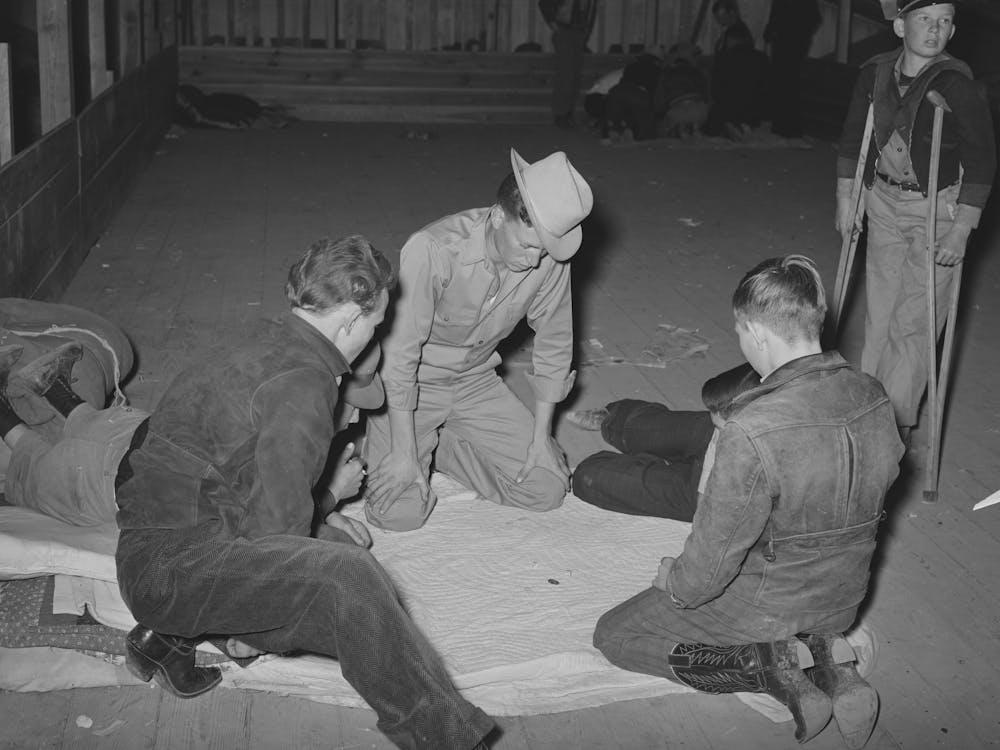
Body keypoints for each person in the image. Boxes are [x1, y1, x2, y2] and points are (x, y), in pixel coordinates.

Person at [113, 235, 495, 750]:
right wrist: (325, 513)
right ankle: (446, 737)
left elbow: (244, 473)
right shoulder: (304, 383)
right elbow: (277, 533)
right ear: (350, 320)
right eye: (377, 323)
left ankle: (165, 641)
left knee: (338, 554)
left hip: (159, 541)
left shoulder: (261, 334)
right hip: (170, 568)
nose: (375, 333)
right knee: (348, 578)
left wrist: (323, 516)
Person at [593, 256, 904, 748]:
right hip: (843, 600)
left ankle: (765, 671)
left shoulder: (751, 429)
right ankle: (828, 658)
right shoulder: (874, 396)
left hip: (764, 609)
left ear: (758, 333)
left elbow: (710, 564)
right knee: (807, 606)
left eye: (739, 331)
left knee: (615, 636)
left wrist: (673, 582)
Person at [363, 149, 593, 532]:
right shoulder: (433, 250)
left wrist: (542, 438)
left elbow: (555, 346)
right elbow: (399, 357)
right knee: (397, 514)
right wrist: (404, 452)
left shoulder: (550, 257)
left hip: (476, 383)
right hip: (413, 384)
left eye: (545, 251)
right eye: (527, 246)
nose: (536, 261)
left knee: (546, 489)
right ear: (499, 216)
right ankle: (416, 443)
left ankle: (442, 446)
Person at [835, 0, 996, 443]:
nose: (935, 30)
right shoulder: (875, 73)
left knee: (915, 322)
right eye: (925, 20)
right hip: (882, 200)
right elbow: (853, 137)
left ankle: (894, 426)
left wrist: (963, 229)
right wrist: (847, 198)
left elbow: (982, 160)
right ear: (900, 24)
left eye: (944, 22)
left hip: (936, 211)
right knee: (880, 314)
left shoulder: (956, 83)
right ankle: (864, 407)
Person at [570, 362, 758, 522]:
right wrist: (718, 431)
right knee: (643, 427)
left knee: (589, 476)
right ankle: (613, 420)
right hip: (727, 433)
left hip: (722, 493)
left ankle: (664, 466)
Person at [705, 0, 769, 140]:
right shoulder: (730, 31)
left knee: (714, 127)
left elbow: (736, 66)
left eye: (722, 17)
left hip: (733, 90)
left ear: (732, 13)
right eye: (717, 18)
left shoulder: (739, 33)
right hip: (727, 89)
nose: (719, 21)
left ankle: (737, 126)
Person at [763, 0, 821, 138]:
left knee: (787, 84)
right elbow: (814, 19)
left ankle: (785, 125)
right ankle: (784, 125)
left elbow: (775, 17)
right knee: (786, 83)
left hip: (789, 43)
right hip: (790, 42)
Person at [539, 0, 598, 128]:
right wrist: (552, 23)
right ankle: (561, 114)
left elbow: (590, 13)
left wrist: (585, 33)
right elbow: (544, 3)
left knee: (575, 76)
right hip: (564, 30)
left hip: (579, 32)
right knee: (566, 74)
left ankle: (568, 113)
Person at [603, 46, 666, 142]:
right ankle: (632, 129)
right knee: (644, 121)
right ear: (658, 60)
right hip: (639, 94)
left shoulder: (631, 66)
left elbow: (622, 83)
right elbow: (657, 95)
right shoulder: (659, 70)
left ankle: (616, 129)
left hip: (618, 91)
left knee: (621, 109)